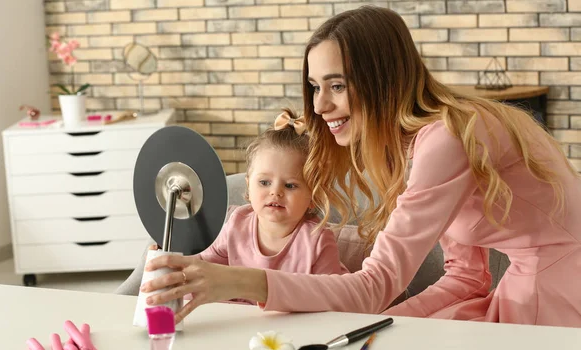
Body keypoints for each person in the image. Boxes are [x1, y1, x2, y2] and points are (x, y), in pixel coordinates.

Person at [140, 6, 581, 327]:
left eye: (337, 85)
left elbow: (375, 285)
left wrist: (240, 283)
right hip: (530, 281)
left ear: (383, 80)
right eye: (315, 86)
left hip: (558, 287)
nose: (319, 104)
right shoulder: (417, 143)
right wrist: (385, 326)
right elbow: (467, 276)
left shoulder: (449, 139)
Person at [120, 109, 349, 302]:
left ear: (313, 197)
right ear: (248, 188)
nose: (275, 192)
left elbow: (329, 299)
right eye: (264, 182)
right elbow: (203, 267)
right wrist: (173, 263)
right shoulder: (236, 223)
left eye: (290, 185)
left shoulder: (318, 240)